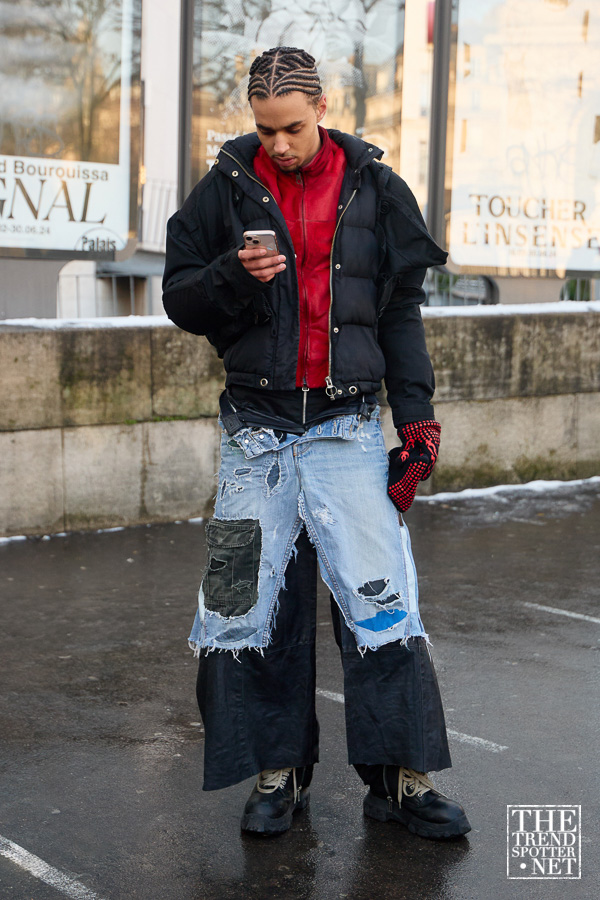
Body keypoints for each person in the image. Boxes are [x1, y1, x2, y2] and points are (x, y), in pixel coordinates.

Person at [163, 46, 471, 840]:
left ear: (323, 109)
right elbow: (180, 299)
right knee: (237, 609)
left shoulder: (374, 187)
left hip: (348, 429)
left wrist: (417, 419)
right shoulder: (225, 188)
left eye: (292, 128)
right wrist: (232, 274)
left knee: (381, 604)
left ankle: (400, 780)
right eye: (265, 130)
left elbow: (398, 315)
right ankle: (277, 771)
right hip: (252, 439)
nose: (279, 145)